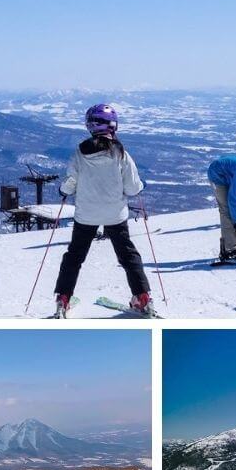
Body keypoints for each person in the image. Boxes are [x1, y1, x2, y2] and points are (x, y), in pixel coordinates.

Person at [53, 104, 153, 317]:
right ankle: (143, 298)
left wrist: (63, 190)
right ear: (113, 126)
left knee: (74, 256)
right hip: (115, 214)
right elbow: (133, 188)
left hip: (86, 215)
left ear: (89, 125)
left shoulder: (80, 152)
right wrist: (141, 185)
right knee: (128, 255)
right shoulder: (120, 153)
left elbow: (71, 182)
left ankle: (63, 299)